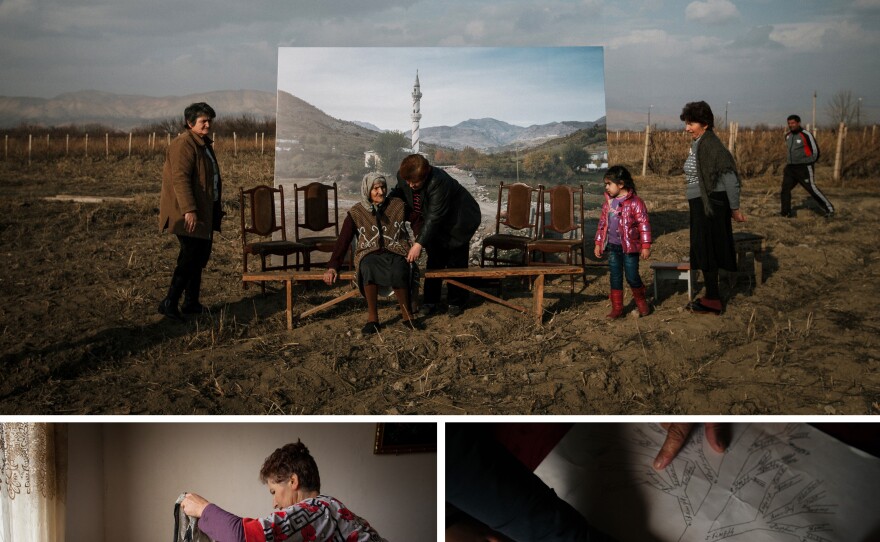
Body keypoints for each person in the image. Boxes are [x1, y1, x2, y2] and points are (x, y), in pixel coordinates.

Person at [180, 440, 386, 542]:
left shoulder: (317, 509)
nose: (274, 503)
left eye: (273, 491)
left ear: (293, 481)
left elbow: (242, 537)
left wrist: (203, 509)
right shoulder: (335, 511)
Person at [322, 172, 418, 334]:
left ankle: (407, 316)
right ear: (367, 190)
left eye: (383, 187)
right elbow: (343, 240)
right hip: (369, 253)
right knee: (367, 267)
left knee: (399, 267)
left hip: (396, 250)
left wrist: (419, 243)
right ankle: (373, 319)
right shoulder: (357, 212)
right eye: (375, 188)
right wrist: (333, 266)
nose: (381, 192)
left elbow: (418, 221)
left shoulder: (397, 205)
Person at [390, 154, 481, 318]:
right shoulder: (405, 177)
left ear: (425, 175)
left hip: (459, 220)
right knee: (435, 258)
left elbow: (434, 217)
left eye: (414, 183)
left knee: (456, 259)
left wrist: (418, 244)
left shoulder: (439, 181)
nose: (410, 185)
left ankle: (456, 301)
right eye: (408, 181)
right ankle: (431, 301)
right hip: (435, 220)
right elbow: (401, 192)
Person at [679, 101, 747, 315]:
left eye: (691, 123)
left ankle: (713, 299)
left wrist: (734, 208)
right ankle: (712, 296)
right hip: (702, 203)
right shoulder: (700, 143)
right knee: (704, 249)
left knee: (707, 249)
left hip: (710, 204)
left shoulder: (711, 145)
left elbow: (730, 178)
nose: (687, 128)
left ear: (705, 124)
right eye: (687, 123)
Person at [158, 102, 224, 320]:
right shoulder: (184, 144)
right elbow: (181, 179)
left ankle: (191, 303)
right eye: (203, 121)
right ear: (189, 122)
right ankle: (170, 302)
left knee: (199, 257)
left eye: (209, 120)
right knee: (190, 257)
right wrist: (189, 210)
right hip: (186, 213)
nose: (208, 124)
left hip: (203, 210)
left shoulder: (202, 143)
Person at [593, 165, 652, 319]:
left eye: (609, 184)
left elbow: (644, 225)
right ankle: (617, 308)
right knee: (615, 276)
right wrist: (598, 243)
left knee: (632, 276)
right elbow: (601, 225)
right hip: (613, 247)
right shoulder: (608, 204)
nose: (606, 187)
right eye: (605, 184)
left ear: (621, 184)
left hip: (630, 248)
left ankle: (641, 302)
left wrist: (645, 245)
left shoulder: (636, 203)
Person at [781, 114, 834, 218]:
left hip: (804, 168)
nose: (791, 125)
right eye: (789, 123)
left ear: (798, 123)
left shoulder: (806, 135)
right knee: (785, 190)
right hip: (791, 168)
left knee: (811, 189)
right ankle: (785, 213)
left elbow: (816, 152)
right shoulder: (788, 136)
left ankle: (829, 209)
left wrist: (807, 162)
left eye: (793, 123)